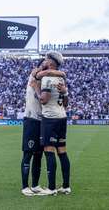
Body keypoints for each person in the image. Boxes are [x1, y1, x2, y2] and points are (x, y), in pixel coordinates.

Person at [21, 59, 66, 196]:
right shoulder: (34, 75)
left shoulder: (45, 81)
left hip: (43, 121)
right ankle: (24, 187)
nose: (46, 67)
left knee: (38, 155)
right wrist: (49, 69)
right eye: (43, 65)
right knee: (28, 153)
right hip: (32, 119)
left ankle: (35, 185)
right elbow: (51, 72)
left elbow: (56, 74)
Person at [34, 51, 71, 196]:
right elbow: (66, 103)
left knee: (49, 151)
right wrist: (66, 93)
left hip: (50, 118)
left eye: (46, 59)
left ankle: (51, 188)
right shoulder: (61, 79)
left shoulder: (48, 78)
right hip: (62, 116)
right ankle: (66, 186)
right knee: (62, 152)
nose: (44, 60)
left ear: (51, 62)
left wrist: (36, 87)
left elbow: (44, 99)